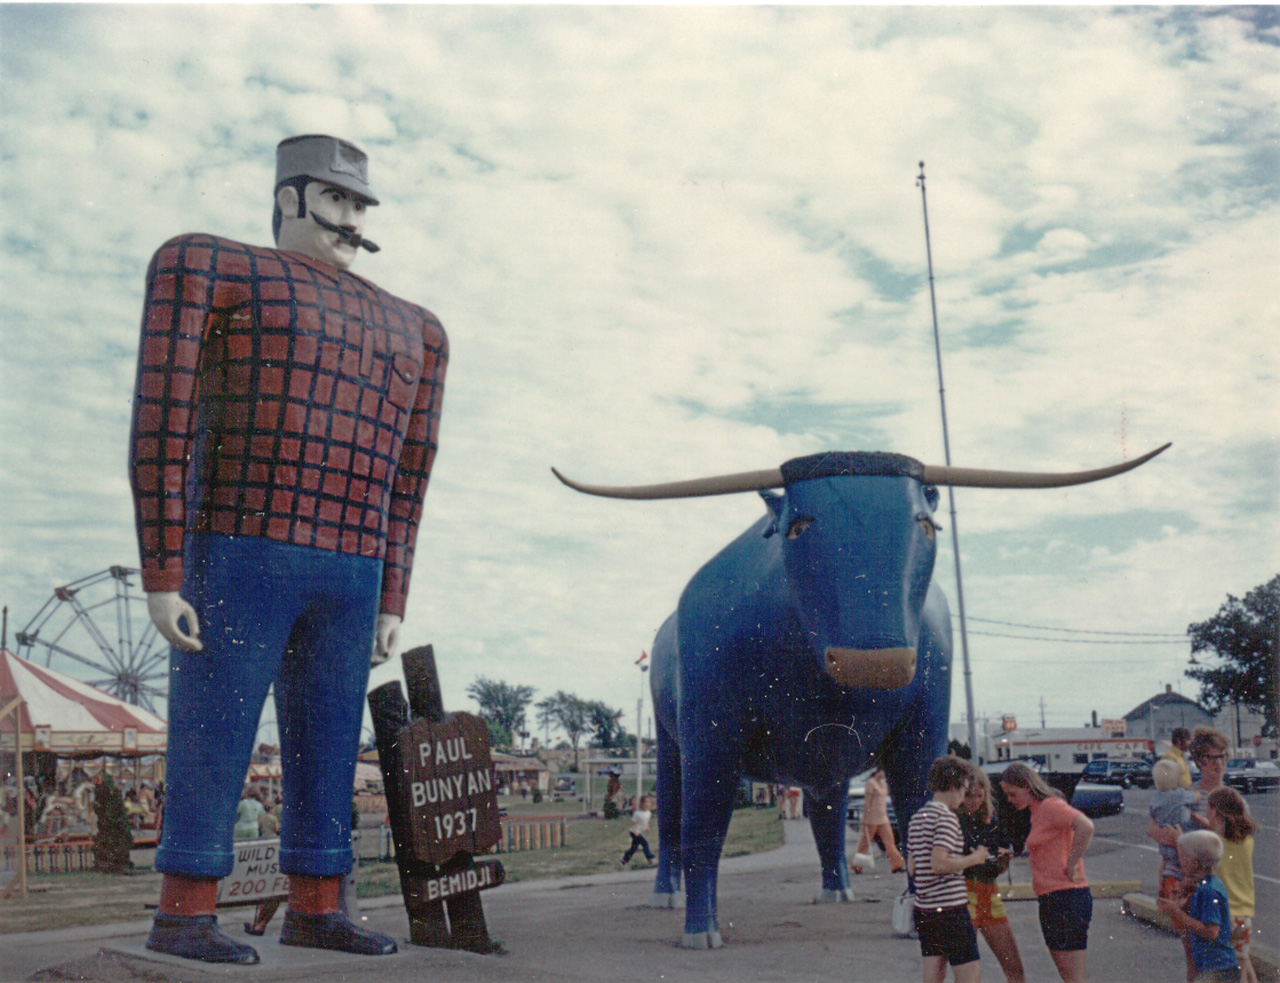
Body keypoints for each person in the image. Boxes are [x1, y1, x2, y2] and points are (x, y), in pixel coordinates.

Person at [130, 134, 447, 965]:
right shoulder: (207, 265)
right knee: (215, 726)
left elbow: (408, 479)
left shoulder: (418, 330)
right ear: (287, 200)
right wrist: (164, 571)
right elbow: (160, 422)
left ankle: (318, 901)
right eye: (335, 200)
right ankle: (185, 909)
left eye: (359, 205)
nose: (350, 220)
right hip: (238, 541)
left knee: (331, 737)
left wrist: (392, 596)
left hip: (351, 563)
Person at [999, 762, 1094, 983]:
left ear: (1027, 786)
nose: (1009, 800)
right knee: (1068, 975)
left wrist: (1072, 863)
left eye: (1012, 794)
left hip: (1066, 896)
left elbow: (1086, 827)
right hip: (1053, 898)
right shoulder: (1037, 812)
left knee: (1073, 977)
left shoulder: (1051, 805)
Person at [1150, 726, 1231, 982]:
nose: (1217, 764)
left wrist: (1179, 840)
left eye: (1222, 757)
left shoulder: (1230, 798)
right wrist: (1164, 863)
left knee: (1232, 955)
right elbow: (1155, 826)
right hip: (1191, 883)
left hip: (1224, 884)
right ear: (1198, 761)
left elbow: (1227, 841)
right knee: (1195, 956)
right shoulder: (1189, 794)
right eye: (1210, 758)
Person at [906, 755, 989, 983]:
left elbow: (912, 868)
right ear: (954, 785)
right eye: (963, 790)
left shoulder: (917, 818)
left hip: (925, 909)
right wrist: (975, 858)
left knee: (933, 975)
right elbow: (939, 864)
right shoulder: (947, 818)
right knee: (970, 976)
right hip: (951, 910)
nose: (963, 798)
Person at [957, 766, 1025, 983]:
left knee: (1014, 966)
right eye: (969, 795)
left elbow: (1003, 849)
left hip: (989, 891)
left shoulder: (990, 819)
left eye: (979, 795)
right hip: (965, 892)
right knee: (968, 973)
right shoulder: (953, 820)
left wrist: (1002, 858)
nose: (974, 801)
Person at [1157, 830, 1240, 983]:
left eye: (1182, 857)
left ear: (1194, 862)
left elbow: (1211, 931)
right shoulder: (1205, 886)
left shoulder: (1209, 891)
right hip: (1212, 966)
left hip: (1217, 969)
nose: (1179, 861)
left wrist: (1177, 913)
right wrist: (1181, 907)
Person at [1206, 788, 1258, 983]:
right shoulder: (1247, 842)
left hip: (1223, 916)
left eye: (1207, 809)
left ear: (1216, 811)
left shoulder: (1213, 844)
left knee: (1228, 974)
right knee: (1241, 967)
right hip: (1244, 915)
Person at [1150, 759, 1198, 900]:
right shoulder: (1181, 794)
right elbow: (1197, 796)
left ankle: (1164, 885)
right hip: (1182, 844)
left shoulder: (1156, 798)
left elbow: (1152, 818)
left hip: (1166, 851)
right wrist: (1187, 789)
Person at [855, 767, 906, 874]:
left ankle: (897, 865)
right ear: (879, 771)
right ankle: (857, 865)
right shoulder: (870, 783)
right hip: (871, 818)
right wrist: (864, 817)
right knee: (865, 843)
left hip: (883, 818)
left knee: (890, 842)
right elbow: (867, 802)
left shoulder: (883, 784)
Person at [621, 794, 656, 866]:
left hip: (639, 832)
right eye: (646, 802)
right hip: (634, 832)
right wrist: (635, 831)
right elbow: (632, 824)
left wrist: (647, 826)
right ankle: (650, 859)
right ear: (641, 804)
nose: (647, 804)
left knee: (633, 848)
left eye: (649, 802)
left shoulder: (648, 813)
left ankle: (624, 860)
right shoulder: (637, 813)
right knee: (645, 844)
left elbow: (646, 821)